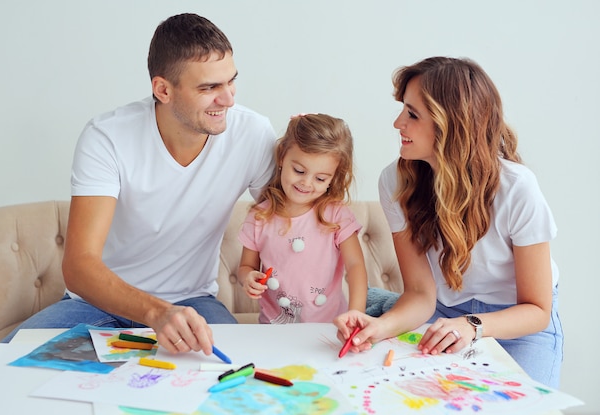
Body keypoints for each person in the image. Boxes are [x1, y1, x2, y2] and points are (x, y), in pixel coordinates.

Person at [2, 13, 276, 357]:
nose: (229, 100)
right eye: (209, 88)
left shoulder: (252, 133)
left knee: (237, 371)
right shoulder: (108, 137)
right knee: (4, 364)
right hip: (97, 302)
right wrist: (155, 313)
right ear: (163, 89)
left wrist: (312, 145)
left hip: (192, 301)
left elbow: (292, 219)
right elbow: (79, 265)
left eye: (230, 82)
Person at [334, 56, 563, 388]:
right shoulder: (395, 182)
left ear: (450, 124)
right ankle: (379, 304)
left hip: (517, 323)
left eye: (412, 114)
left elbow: (537, 310)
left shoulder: (517, 188)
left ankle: (379, 299)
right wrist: (378, 327)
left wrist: (471, 325)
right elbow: (420, 294)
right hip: (441, 313)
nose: (398, 123)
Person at [237, 113, 368, 323]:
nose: (306, 183)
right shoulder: (259, 216)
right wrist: (248, 279)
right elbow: (246, 267)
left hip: (329, 327)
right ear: (282, 158)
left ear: (334, 177)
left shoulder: (336, 215)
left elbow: (355, 266)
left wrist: (357, 313)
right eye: (299, 170)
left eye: (320, 178)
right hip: (273, 328)